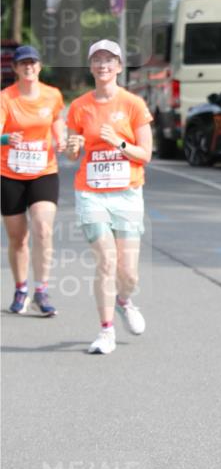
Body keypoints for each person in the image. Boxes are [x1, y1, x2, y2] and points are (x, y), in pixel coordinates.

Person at [66, 40, 153, 355]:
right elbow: (72, 153)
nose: (103, 65)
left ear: (118, 67)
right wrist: (71, 148)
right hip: (91, 193)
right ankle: (105, 331)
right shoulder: (79, 107)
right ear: (91, 67)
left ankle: (124, 300)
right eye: (97, 60)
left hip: (127, 193)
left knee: (128, 272)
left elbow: (145, 154)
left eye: (109, 60)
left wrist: (119, 143)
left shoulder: (133, 105)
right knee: (107, 260)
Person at [1, 45, 65, 316]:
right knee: (18, 238)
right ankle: (21, 288)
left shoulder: (53, 95)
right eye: (23, 63)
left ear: (39, 67)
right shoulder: (6, 98)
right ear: (15, 68)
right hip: (10, 173)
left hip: (43, 170)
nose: (28, 67)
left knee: (42, 228)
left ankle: (41, 290)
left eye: (33, 63)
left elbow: (56, 120)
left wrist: (60, 136)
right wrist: (6, 138)